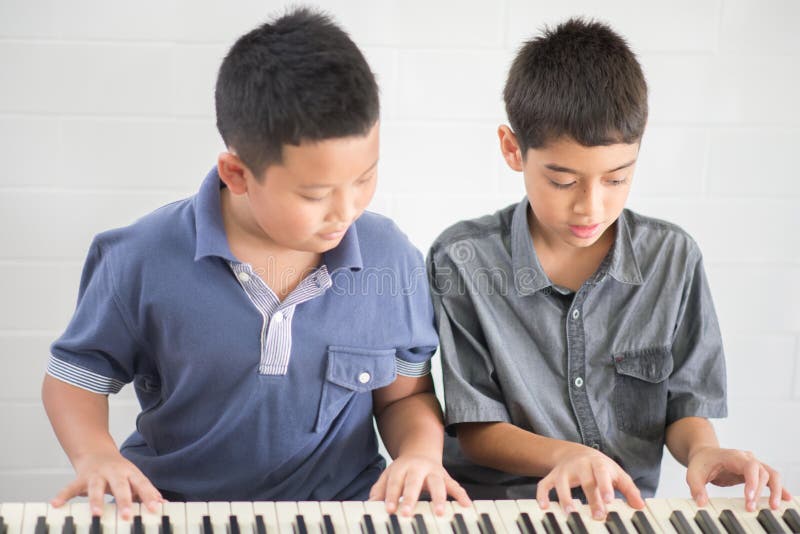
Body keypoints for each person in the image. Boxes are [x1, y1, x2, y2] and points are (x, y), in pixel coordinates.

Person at [42, 7, 468, 519]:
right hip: (174, 509)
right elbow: (74, 376)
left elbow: (404, 397)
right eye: (315, 194)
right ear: (238, 174)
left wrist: (420, 454)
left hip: (341, 509)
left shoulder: (391, 258)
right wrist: (96, 456)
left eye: (364, 179)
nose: (346, 210)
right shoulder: (139, 257)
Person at [427, 17, 791, 520]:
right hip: (498, 509)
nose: (591, 207)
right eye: (562, 181)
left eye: (617, 179)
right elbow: (475, 428)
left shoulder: (673, 258)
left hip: (621, 513)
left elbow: (686, 410)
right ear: (514, 150)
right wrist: (568, 455)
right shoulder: (462, 259)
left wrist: (703, 452)